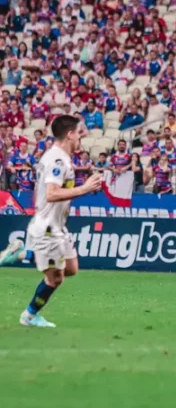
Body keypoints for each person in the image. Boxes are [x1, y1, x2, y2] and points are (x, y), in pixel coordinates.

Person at [0, 115, 102, 327]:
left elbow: (45, 190)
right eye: (79, 133)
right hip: (48, 228)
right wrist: (85, 188)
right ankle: (29, 316)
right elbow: (52, 194)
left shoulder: (60, 157)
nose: (81, 138)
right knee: (56, 278)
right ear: (70, 134)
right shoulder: (57, 159)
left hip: (56, 225)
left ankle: (21, 253)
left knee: (71, 268)